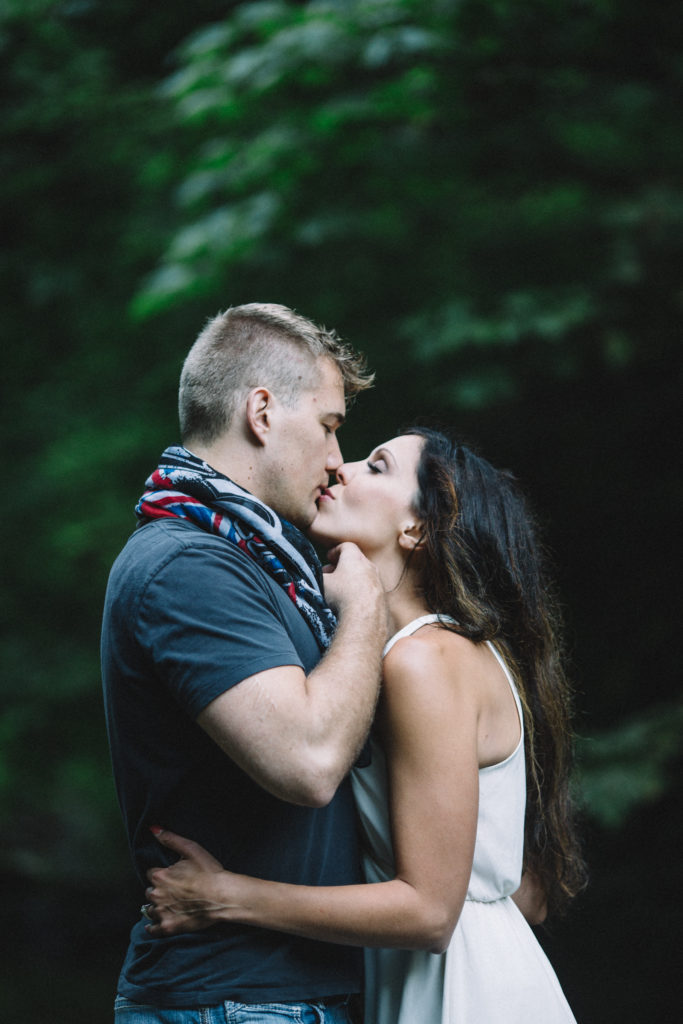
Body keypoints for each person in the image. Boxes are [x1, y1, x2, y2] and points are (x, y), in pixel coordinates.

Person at [143, 428, 588, 1023]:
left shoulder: (424, 660)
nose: (341, 468)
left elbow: (432, 913)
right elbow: (522, 892)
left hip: (465, 995)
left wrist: (227, 898)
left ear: (417, 529)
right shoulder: (429, 650)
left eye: (376, 466)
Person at [100, 303, 388, 1023]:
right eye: (328, 425)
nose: (334, 460)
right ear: (261, 412)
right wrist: (366, 611)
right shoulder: (188, 565)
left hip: (277, 995)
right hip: (233, 1000)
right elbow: (308, 760)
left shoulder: (255, 559)